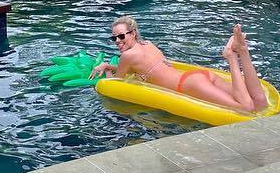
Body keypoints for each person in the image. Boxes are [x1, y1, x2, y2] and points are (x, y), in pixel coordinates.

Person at [89, 15, 269, 113]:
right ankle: (243, 51)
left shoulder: (128, 56)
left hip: (189, 85)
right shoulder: (148, 44)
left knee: (246, 108)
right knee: (260, 103)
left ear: (133, 33)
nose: (117, 41)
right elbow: (145, 69)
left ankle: (231, 56)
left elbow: (116, 83)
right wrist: (109, 66)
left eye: (121, 36)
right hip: (198, 77)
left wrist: (106, 70)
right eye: (114, 38)